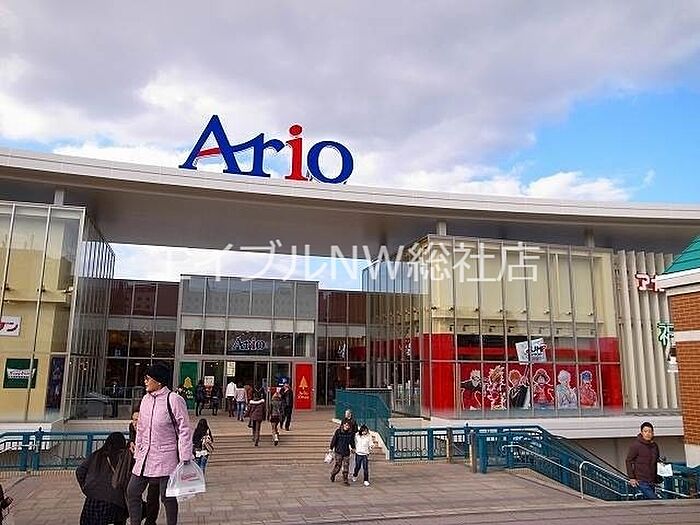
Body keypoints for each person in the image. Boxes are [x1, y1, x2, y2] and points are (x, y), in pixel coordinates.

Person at [127, 362, 193, 525]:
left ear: (159, 381)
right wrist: (138, 450)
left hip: (166, 457)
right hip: (145, 456)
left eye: (148, 378)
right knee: (132, 491)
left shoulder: (174, 399)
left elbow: (184, 429)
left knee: (167, 496)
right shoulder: (145, 399)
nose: (145, 381)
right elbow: (141, 428)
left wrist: (185, 456)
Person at [75, 432, 128, 525]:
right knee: (119, 518)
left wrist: (85, 486)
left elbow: (80, 471)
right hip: (115, 499)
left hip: (93, 497)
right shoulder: (123, 457)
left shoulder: (96, 454)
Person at [127, 410, 160, 525]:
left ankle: (150, 521)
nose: (135, 423)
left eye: (138, 420)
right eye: (133, 420)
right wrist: (131, 442)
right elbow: (132, 438)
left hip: (154, 464)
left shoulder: (153, 429)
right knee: (133, 492)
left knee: (153, 495)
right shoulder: (132, 427)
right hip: (138, 465)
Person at [626, 421, 661, 500]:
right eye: (645, 431)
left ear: (653, 433)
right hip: (641, 480)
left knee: (650, 502)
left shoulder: (654, 446)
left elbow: (656, 460)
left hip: (652, 480)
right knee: (654, 500)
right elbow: (628, 461)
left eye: (650, 432)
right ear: (642, 433)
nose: (648, 434)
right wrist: (631, 477)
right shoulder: (636, 445)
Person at [329, 420, 356, 486]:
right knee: (338, 466)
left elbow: (352, 441)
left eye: (348, 425)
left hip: (346, 452)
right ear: (343, 425)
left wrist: (353, 448)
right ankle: (333, 474)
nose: (347, 426)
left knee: (346, 467)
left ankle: (345, 480)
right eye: (346, 425)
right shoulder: (338, 431)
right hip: (338, 452)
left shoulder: (350, 433)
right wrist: (331, 448)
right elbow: (334, 440)